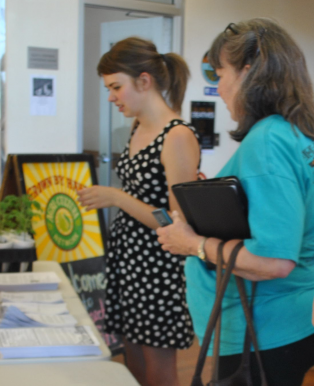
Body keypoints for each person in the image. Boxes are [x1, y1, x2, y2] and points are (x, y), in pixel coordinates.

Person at [157, 18, 314, 386]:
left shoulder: (268, 140)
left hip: (261, 329)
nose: (219, 86)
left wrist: (192, 244)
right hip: (290, 321)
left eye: (220, 72)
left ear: (248, 71)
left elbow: (275, 262)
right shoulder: (297, 133)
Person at [77, 37, 200, 386]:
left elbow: (179, 222)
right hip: (128, 261)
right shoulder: (136, 128)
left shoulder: (177, 136)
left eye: (116, 87)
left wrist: (117, 198)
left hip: (158, 268)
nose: (111, 97)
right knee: (131, 361)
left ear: (144, 81)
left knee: (158, 370)